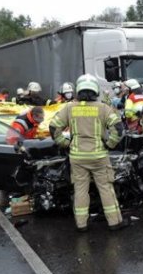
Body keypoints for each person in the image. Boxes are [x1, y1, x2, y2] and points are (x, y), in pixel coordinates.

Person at [49, 74, 129, 232]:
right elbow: (118, 129)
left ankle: (81, 224)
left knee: (80, 190)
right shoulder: (103, 108)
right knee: (106, 188)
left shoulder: (69, 108)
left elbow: (53, 127)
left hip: (77, 157)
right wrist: (109, 144)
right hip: (99, 156)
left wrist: (65, 143)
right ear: (96, 90)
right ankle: (114, 223)